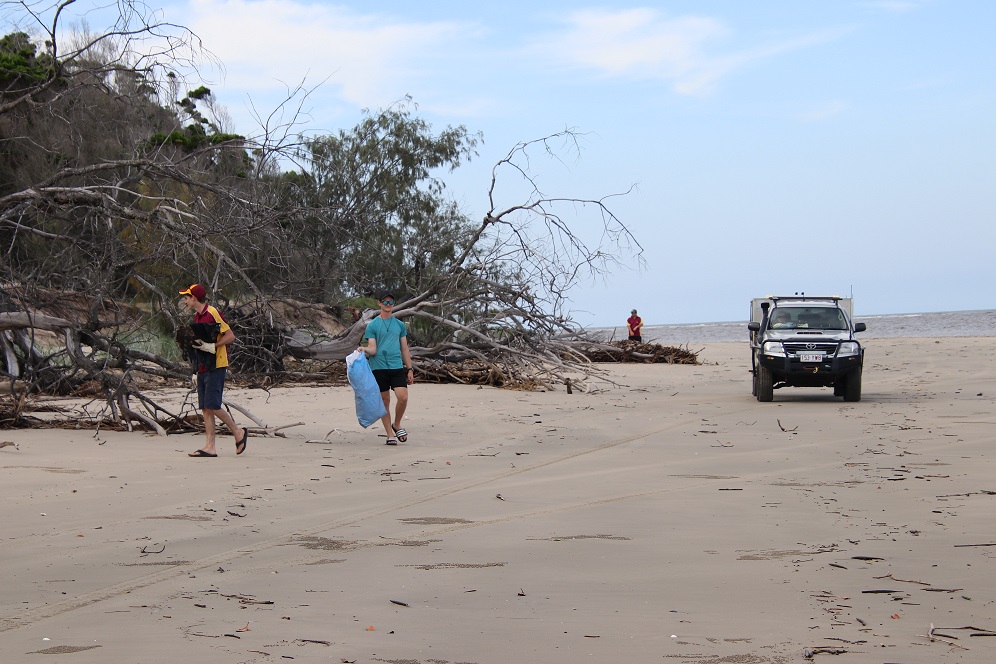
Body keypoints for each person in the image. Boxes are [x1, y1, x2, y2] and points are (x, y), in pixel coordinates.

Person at [179, 283, 248, 458]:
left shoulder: (212, 313)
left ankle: (238, 432)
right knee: (205, 407)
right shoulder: (197, 317)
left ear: (194, 298)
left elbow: (230, 335)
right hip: (203, 365)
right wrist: (194, 369)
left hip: (217, 364)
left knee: (212, 404)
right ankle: (210, 446)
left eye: (186, 297)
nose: (185, 301)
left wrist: (213, 346)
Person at [359, 291, 414, 445]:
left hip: (396, 366)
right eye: (385, 302)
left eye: (391, 302)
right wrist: (363, 349)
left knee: (402, 397)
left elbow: (404, 349)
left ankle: (396, 424)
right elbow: (373, 349)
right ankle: (390, 434)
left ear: (393, 304)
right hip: (379, 368)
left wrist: (409, 368)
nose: (388, 305)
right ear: (379, 303)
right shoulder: (373, 325)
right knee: (385, 401)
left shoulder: (399, 325)